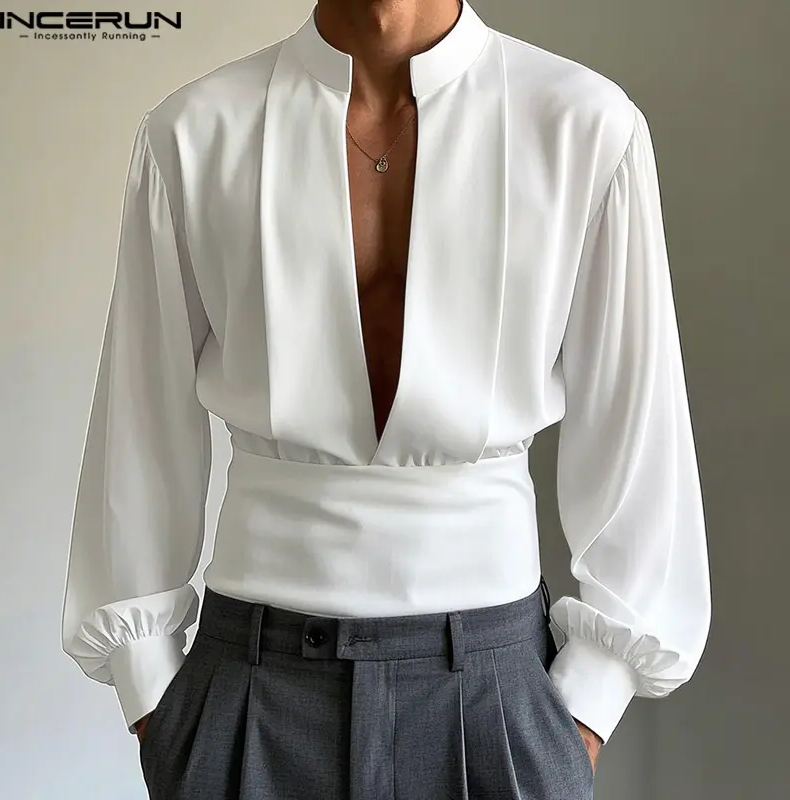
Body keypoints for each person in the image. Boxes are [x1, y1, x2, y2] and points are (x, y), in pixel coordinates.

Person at [60, 1, 712, 797]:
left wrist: (583, 712)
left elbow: (638, 425)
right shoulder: (194, 131)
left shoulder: (584, 124)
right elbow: (140, 418)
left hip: (495, 695)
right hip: (251, 689)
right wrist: (157, 704)